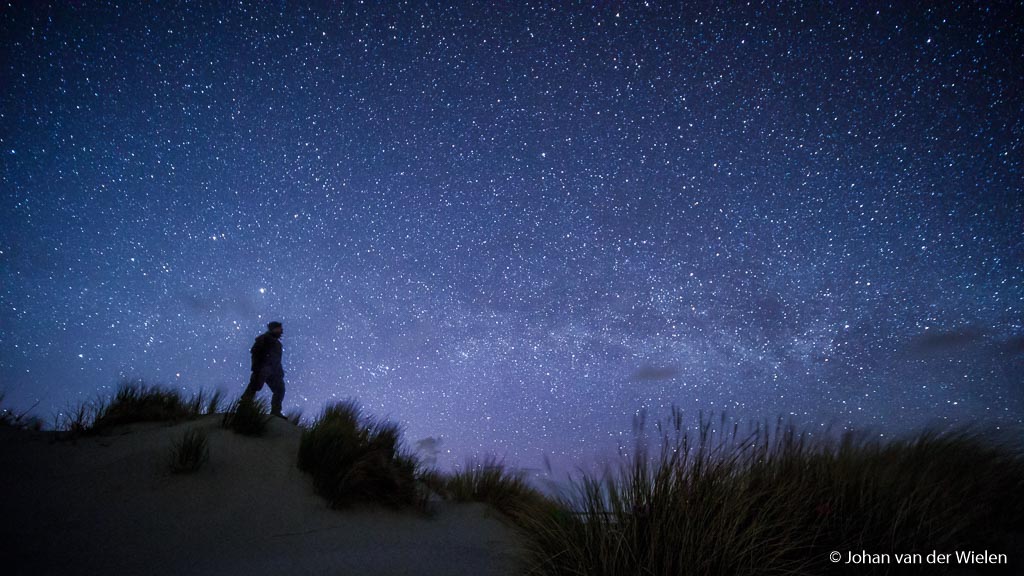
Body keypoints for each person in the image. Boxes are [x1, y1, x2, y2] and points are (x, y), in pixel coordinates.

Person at [242, 321, 287, 418]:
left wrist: (280, 371)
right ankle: (243, 406)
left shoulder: (278, 344)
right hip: (263, 367)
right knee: (254, 386)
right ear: (273, 329)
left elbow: (277, 359)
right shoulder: (264, 338)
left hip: (274, 371)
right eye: (279, 328)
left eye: (280, 328)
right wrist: (256, 367)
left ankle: (275, 411)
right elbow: (255, 352)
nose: (281, 330)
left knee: (280, 389)